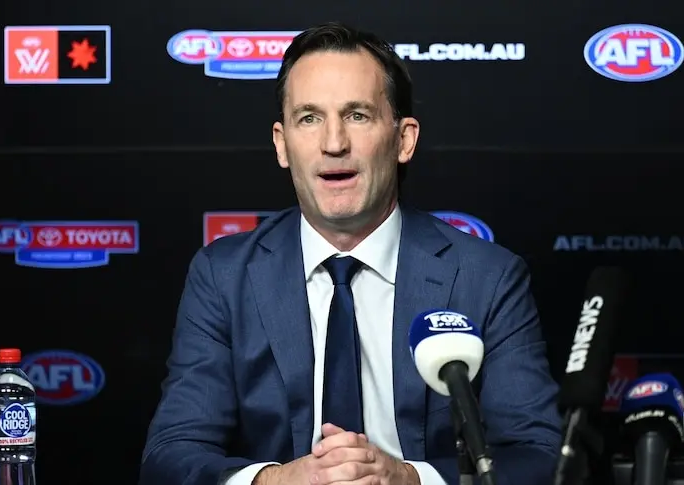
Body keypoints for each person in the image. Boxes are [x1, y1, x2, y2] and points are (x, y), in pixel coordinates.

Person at [140, 21, 562, 485]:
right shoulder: (223, 276)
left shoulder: (487, 278)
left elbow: (537, 457)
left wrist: (409, 479)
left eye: (357, 115)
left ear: (403, 140)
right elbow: (171, 456)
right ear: (282, 144)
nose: (333, 143)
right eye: (309, 118)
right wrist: (276, 481)